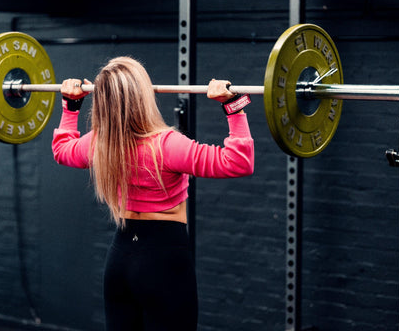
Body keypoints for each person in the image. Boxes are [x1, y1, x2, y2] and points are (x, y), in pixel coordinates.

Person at [51, 56, 254, 331]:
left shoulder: (99, 143)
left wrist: (70, 106)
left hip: (120, 260)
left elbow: (62, 150)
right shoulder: (167, 145)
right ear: (143, 96)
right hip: (163, 262)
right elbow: (239, 162)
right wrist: (234, 106)